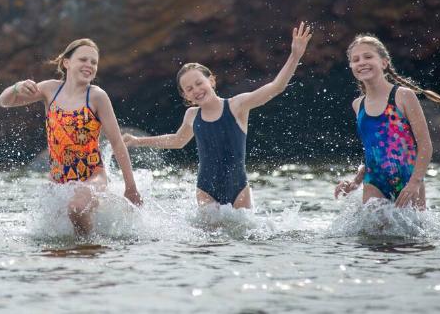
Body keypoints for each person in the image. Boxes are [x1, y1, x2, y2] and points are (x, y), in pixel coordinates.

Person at [124, 22, 312, 209]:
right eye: (189, 89)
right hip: (206, 190)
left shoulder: (237, 106)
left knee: (242, 236)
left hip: (239, 189)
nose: (196, 90)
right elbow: (177, 140)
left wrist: (295, 55)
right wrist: (137, 141)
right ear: (186, 96)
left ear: (211, 80)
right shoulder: (191, 115)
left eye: (199, 83)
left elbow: (275, 87)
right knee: (211, 238)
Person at [0, 38, 142, 234]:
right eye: (83, 59)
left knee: (76, 208)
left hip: (93, 177)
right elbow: (4, 102)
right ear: (67, 63)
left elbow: (117, 142)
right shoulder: (50, 90)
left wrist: (131, 187)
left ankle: (89, 249)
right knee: (53, 245)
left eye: (94, 62)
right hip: (58, 180)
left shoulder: (97, 96)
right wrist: (16, 87)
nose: (89, 65)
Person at [334, 34, 440, 209]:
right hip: (374, 181)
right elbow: (374, 150)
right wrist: (356, 182)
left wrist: (415, 183)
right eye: (355, 59)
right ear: (351, 66)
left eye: (368, 56)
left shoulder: (403, 96)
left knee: (411, 235)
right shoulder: (358, 105)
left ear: (384, 62)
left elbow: (425, 144)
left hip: (408, 179)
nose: (361, 62)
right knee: (372, 233)